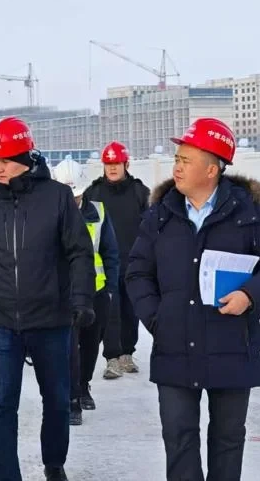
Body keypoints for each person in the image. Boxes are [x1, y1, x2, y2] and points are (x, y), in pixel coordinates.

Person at [126, 117, 260, 481]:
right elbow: (137, 272)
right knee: (179, 440)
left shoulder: (248, 212)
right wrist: (157, 318)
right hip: (175, 346)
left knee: (227, 441)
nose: (177, 167)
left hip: (232, 345)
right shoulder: (160, 214)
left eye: (186, 160)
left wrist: (249, 295)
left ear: (212, 169)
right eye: (177, 158)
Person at [0, 116, 97, 481]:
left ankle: (54, 463)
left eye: (5, 161)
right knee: (1, 405)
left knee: (56, 399)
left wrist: (82, 299)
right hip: (1, 322)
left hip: (51, 318)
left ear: (25, 158)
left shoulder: (57, 198)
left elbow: (79, 252)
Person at [53, 158, 119, 426]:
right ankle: (72, 398)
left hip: (96, 290)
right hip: (64, 292)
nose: (73, 200)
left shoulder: (98, 212)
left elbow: (110, 252)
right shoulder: (51, 214)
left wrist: (111, 288)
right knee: (69, 347)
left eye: (77, 195)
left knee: (91, 344)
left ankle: (84, 385)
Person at [83, 140, 150, 377]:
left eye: (117, 164)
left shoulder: (140, 192)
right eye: (108, 164)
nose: (112, 168)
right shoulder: (93, 193)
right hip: (105, 266)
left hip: (133, 262)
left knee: (131, 311)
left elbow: (150, 227)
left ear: (126, 165)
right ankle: (111, 357)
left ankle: (127, 354)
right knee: (110, 312)